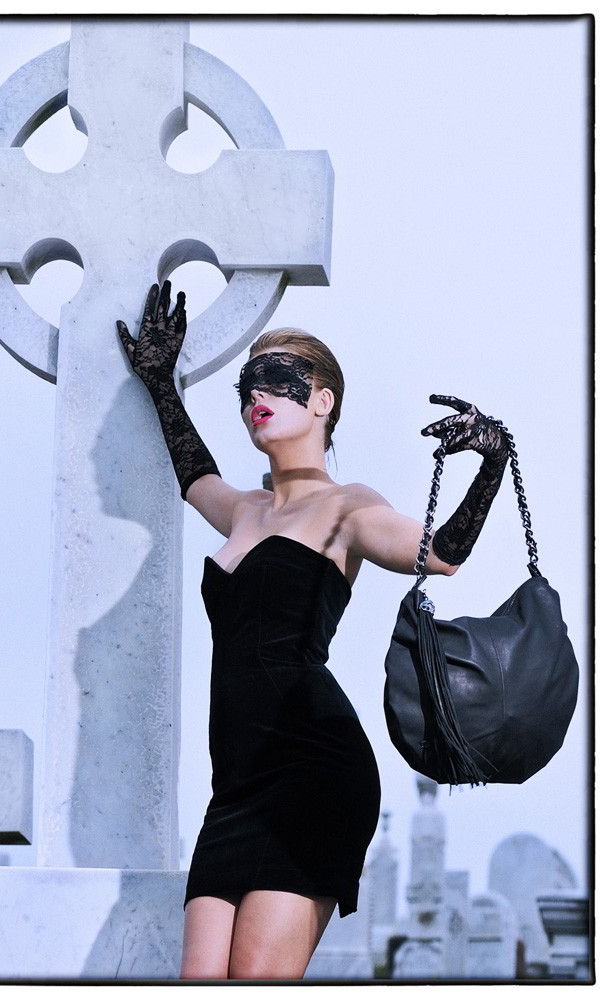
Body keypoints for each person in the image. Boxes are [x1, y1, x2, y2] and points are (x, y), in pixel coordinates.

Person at [116, 281, 508, 980]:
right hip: (233, 788)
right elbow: (190, 471)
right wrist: (158, 380)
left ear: (321, 400)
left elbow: (439, 554)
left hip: (311, 769)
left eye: (275, 378)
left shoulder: (348, 508)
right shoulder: (242, 509)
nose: (253, 395)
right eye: (245, 386)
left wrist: (491, 457)